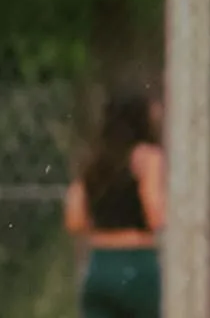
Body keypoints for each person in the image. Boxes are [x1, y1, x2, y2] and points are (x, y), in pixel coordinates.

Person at [64, 86, 164, 318]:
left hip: (99, 265)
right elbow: (155, 213)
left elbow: (74, 220)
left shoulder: (93, 161)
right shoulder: (147, 157)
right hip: (138, 263)